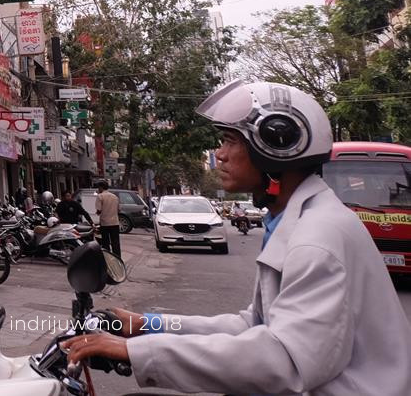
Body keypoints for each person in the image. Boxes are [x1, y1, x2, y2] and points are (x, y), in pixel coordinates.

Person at [61, 79, 411, 394]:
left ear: (273, 146)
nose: (220, 154)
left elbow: (286, 361)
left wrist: (132, 351)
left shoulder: (316, 238)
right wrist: (147, 325)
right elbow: (252, 325)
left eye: (230, 141)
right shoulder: (294, 220)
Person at [94, 180, 121, 257]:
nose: (98, 189)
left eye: (98, 187)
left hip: (105, 223)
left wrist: (97, 213)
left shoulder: (100, 196)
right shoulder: (115, 197)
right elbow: (119, 210)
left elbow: (99, 210)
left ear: (101, 187)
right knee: (116, 243)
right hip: (115, 223)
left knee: (106, 243)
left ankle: (108, 258)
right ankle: (117, 258)